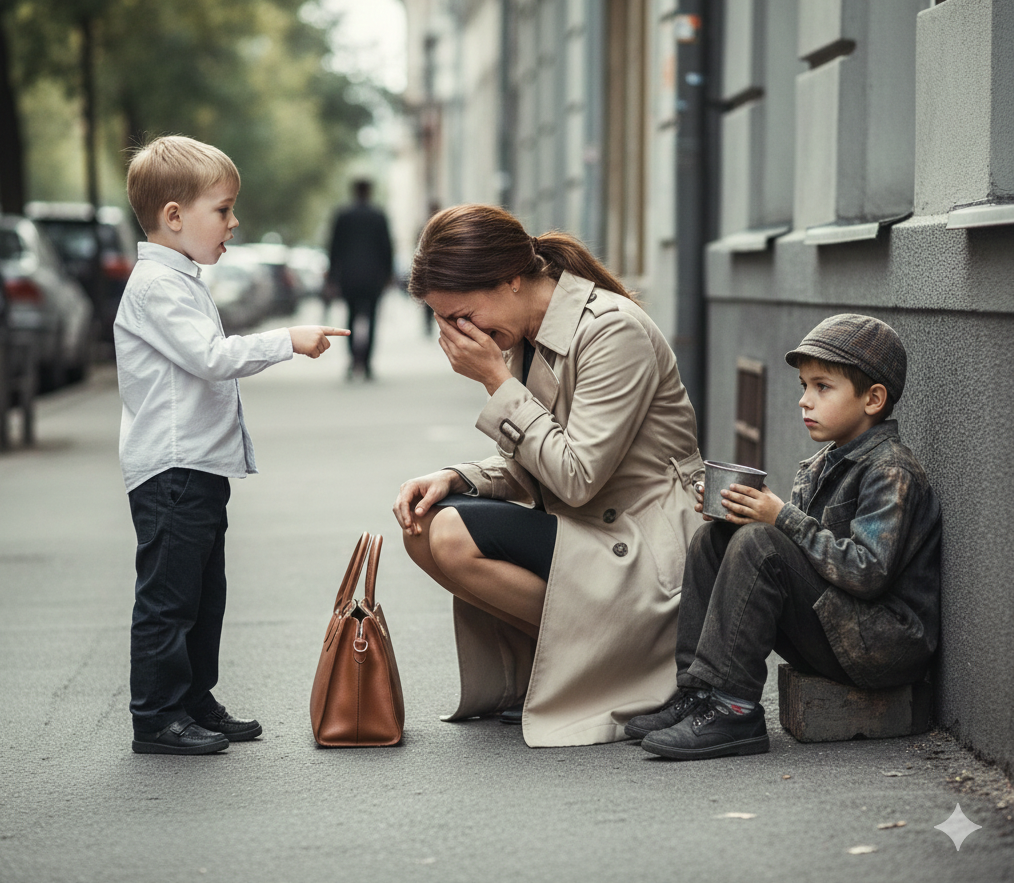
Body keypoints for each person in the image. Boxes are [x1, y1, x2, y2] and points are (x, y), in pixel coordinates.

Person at [392, 204, 705, 747]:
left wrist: (497, 383)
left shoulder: (611, 330)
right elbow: (538, 461)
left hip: (644, 549)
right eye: (445, 322)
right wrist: (458, 478)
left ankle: (620, 663)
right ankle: (565, 667)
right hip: (590, 527)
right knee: (423, 524)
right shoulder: (525, 334)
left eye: (462, 315)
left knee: (451, 535)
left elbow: (576, 477)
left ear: (510, 279)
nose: (460, 334)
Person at [116, 135, 348, 755]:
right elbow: (212, 358)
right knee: (169, 601)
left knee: (203, 597)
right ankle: (156, 717)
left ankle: (193, 700)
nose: (234, 222)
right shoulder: (157, 286)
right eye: (222, 209)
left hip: (197, 468)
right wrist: (287, 339)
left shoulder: (180, 280)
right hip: (172, 470)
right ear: (174, 216)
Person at [627, 314, 942, 760]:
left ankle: (734, 709)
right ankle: (699, 692)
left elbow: (868, 572)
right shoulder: (819, 466)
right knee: (715, 539)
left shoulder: (891, 470)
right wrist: (739, 515)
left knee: (761, 544)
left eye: (822, 387)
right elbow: (799, 559)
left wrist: (780, 518)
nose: (804, 401)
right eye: (804, 386)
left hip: (881, 645)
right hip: (837, 628)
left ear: (873, 399)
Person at [326, 179, 394, 379]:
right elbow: (387, 247)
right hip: (373, 278)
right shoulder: (378, 216)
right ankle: (367, 364)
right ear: (369, 192)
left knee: (350, 318)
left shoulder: (343, 215)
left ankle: (352, 361)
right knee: (372, 319)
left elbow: (334, 247)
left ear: (354, 191)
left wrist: (332, 277)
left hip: (349, 278)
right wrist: (388, 274)